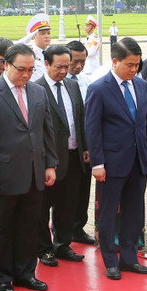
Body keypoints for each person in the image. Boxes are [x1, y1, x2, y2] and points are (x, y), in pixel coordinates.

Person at [0, 43, 57, 291]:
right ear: (6, 65)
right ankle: (2, 277)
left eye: (31, 70)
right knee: (2, 228)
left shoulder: (38, 92)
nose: (26, 74)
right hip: (4, 173)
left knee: (29, 225)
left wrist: (50, 164)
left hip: (34, 171)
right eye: (21, 69)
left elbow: (47, 130)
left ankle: (26, 273)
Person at [84, 40, 147, 279]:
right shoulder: (99, 89)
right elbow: (93, 129)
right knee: (108, 213)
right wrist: (97, 163)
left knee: (134, 212)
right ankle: (110, 261)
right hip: (111, 163)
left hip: (138, 161)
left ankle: (129, 258)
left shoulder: (142, 86)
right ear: (115, 61)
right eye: (129, 64)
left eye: (137, 64)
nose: (134, 69)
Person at [35, 45, 88, 267]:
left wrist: (84, 146)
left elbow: (80, 117)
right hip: (48, 159)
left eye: (67, 66)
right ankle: (44, 249)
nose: (64, 71)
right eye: (59, 66)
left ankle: (63, 244)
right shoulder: (36, 89)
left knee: (68, 204)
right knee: (42, 206)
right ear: (47, 64)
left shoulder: (73, 86)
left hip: (73, 155)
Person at [64, 40, 95, 246]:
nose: (79, 66)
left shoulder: (86, 81)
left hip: (84, 145)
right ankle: (62, 231)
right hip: (64, 147)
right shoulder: (56, 83)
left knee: (83, 190)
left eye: (83, 61)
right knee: (64, 194)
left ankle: (78, 228)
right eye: (75, 61)